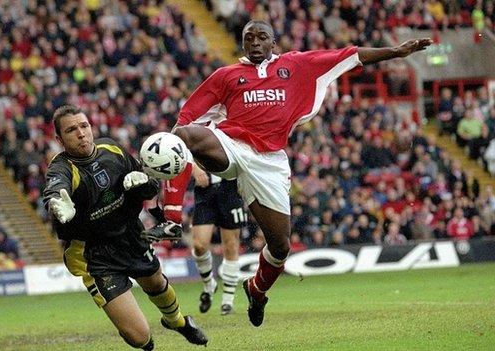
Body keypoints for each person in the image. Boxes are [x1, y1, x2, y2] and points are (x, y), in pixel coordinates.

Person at [143, 20, 432, 327]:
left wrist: (395, 52)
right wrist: (178, 150)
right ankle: (171, 220)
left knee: (280, 246)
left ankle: (256, 290)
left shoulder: (297, 64)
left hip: (269, 162)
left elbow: (350, 54)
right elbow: (185, 118)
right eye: (248, 38)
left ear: (273, 43)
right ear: (242, 44)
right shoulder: (226, 76)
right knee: (183, 135)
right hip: (230, 145)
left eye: (261, 37)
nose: (254, 42)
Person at [43, 106, 208, 350]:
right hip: (94, 255)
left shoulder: (111, 148)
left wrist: (143, 184)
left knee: (155, 283)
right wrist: (57, 203)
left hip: (130, 234)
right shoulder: (61, 169)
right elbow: (55, 191)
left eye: (84, 126)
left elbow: (149, 186)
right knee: (138, 336)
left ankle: (178, 322)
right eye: (71, 130)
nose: (81, 134)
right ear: (60, 139)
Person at [190, 163, 246, 315]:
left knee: (231, 245)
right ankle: (209, 285)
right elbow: (184, 149)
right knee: (199, 245)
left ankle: (227, 300)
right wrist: (194, 168)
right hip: (205, 190)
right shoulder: (198, 137)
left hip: (230, 187)